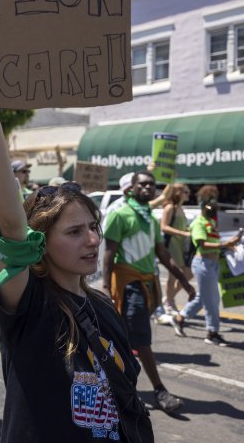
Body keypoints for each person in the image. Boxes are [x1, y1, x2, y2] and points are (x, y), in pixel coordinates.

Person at [0, 84, 154, 442]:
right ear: (40, 243)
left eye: (92, 227)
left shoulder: (102, 305)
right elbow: (10, 227)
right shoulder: (31, 307)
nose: (91, 240)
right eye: (73, 232)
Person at [103, 170, 195, 413]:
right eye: (142, 184)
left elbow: (163, 255)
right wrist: (104, 288)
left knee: (122, 339)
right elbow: (109, 255)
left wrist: (184, 283)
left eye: (151, 185)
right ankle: (159, 390)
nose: (147, 188)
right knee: (141, 340)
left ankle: (115, 389)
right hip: (128, 285)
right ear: (131, 188)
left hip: (147, 284)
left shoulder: (150, 219)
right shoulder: (119, 215)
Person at [170, 189, 243, 346]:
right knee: (212, 300)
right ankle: (212, 333)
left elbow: (216, 244)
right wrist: (225, 244)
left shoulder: (211, 223)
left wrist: (230, 245)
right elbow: (202, 244)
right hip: (203, 264)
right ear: (204, 205)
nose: (215, 206)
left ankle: (180, 318)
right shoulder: (199, 223)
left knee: (203, 298)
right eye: (212, 203)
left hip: (213, 264)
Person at [160, 183, 192, 313]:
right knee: (173, 275)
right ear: (177, 193)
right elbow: (164, 227)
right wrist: (183, 233)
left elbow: (181, 226)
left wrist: (188, 231)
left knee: (188, 273)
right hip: (172, 244)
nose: (188, 194)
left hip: (181, 245)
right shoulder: (169, 208)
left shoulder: (181, 208)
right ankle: (169, 302)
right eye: (186, 192)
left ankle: (169, 298)